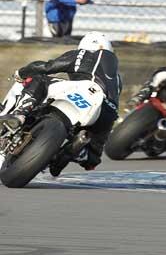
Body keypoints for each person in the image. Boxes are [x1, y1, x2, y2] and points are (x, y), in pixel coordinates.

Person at [0, 32, 120, 176]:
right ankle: (76, 152)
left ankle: (19, 114)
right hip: (106, 112)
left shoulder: (85, 55)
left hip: (85, 90)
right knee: (93, 156)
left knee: (39, 79)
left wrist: (22, 72)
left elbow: (47, 67)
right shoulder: (117, 79)